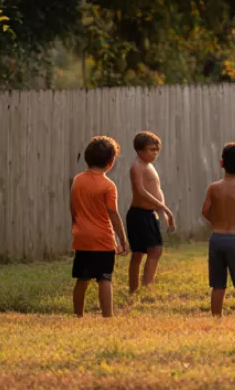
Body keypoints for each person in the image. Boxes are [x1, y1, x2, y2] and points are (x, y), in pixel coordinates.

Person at [70, 135, 129, 318]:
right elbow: (113, 214)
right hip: (103, 238)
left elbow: (73, 208)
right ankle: (108, 316)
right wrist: (123, 240)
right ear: (110, 162)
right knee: (105, 278)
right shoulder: (108, 186)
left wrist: (76, 226)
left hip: (82, 237)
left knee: (82, 278)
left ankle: (78, 315)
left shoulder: (77, 180)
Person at [201, 142, 235, 318]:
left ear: (221, 163)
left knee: (218, 285)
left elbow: (205, 211)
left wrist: (216, 222)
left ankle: (216, 318)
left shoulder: (213, 187)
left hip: (217, 239)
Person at [126, 130, 176, 293]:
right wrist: (165, 208)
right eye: (151, 150)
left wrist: (162, 212)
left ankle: (146, 286)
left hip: (149, 214)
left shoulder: (149, 165)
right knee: (141, 252)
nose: (155, 153)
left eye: (157, 150)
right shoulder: (137, 166)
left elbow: (156, 190)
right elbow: (141, 191)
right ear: (139, 150)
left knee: (154, 250)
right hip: (139, 214)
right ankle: (137, 288)